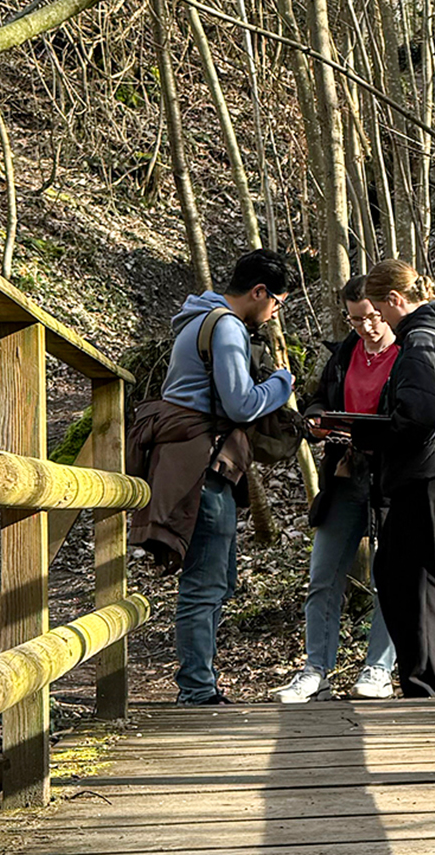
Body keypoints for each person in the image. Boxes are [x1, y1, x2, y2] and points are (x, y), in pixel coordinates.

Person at [129, 249, 296, 705]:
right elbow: (241, 403)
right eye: (276, 301)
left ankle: (200, 684)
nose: (275, 311)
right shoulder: (224, 326)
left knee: (215, 579)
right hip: (201, 467)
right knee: (205, 583)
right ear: (259, 292)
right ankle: (197, 691)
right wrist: (282, 383)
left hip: (194, 462)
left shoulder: (197, 319)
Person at [271, 275, 400, 703]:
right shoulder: (344, 354)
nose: (365, 327)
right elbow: (318, 398)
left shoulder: (409, 353)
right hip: (344, 472)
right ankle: (316, 670)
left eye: (372, 317)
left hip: (392, 478)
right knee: (323, 576)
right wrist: (316, 419)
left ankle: (379, 669)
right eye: (355, 319)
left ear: (387, 308)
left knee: (391, 578)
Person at [358, 258, 435, 697]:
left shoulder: (422, 341)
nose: (380, 321)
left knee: (407, 575)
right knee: (403, 570)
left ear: (396, 299)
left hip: (426, 470)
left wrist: (368, 432)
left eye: (380, 311)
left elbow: (420, 413)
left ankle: (426, 683)